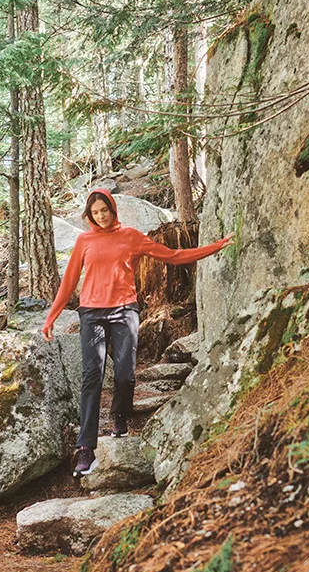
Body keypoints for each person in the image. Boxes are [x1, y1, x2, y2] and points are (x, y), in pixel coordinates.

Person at [41, 188, 233, 476]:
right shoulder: (84, 241)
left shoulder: (131, 236)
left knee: (125, 372)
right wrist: (51, 317)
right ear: (89, 215)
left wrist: (215, 246)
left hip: (124, 311)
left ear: (113, 208)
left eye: (104, 210)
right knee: (91, 375)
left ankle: (120, 414)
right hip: (91, 313)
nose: (100, 216)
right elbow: (68, 282)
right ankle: (85, 448)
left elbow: (174, 255)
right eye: (95, 213)